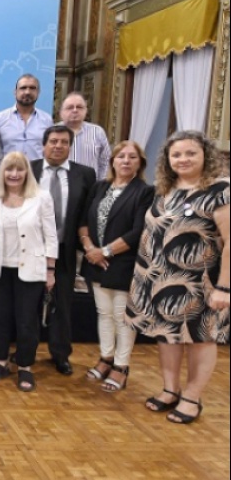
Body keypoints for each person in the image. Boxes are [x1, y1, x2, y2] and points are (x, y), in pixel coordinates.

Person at [128, 130, 229, 424]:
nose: (183, 159)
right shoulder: (166, 189)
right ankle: (170, 389)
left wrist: (225, 287)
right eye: (176, 154)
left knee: (201, 338)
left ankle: (192, 397)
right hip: (161, 279)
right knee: (168, 336)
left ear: (206, 155)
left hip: (201, 283)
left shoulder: (221, 190)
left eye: (190, 153)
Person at [79, 141, 154, 392]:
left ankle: (121, 367)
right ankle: (106, 358)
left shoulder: (145, 192)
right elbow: (83, 221)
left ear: (140, 163)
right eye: (121, 156)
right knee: (104, 313)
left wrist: (105, 251)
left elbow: (138, 230)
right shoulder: (100, 187)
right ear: (112, 160)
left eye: (132, 157)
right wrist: (90, 248)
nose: (126, 161)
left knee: (123, 318)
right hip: (95, 261)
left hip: (123, 263)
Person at [0, 152, 58, 392]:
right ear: (2, 173)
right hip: (0, 269)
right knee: (0, 318)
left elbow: (51, 236)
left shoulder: (41, 197)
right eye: (9, 169)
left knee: (26, 321)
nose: (14, 174)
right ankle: (1, 362)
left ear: (27, 172)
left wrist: (50, 270)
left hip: (31, 269)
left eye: (19, 169)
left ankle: (25, 366)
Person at [31, 125, 97, 375]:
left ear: (70, 146)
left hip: (65, 249)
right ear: (44, 145)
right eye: (53, 141)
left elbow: (87, 213)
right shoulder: (30, 169)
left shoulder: (85, 174)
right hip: (32, 249)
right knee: (30, 303)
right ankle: (26, 350)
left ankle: (60, 354)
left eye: (64, 142)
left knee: (63, 304)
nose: (58, 146)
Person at [0, 74, 54, 160]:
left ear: (38, 92)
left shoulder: (47, 120)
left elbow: (50, 150)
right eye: (23, 88)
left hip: (37, 168)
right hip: (8, 168)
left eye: (32, 88)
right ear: (15, 92)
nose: (27, 92)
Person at [59, 92, 111, 180]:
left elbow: (106, 162)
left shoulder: (97, 132)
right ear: (61, 112)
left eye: (79, 107)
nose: (75, 110)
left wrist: (101, 184)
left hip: (90, 185)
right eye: (70, 107)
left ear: (86, 110)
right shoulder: (52, 132)